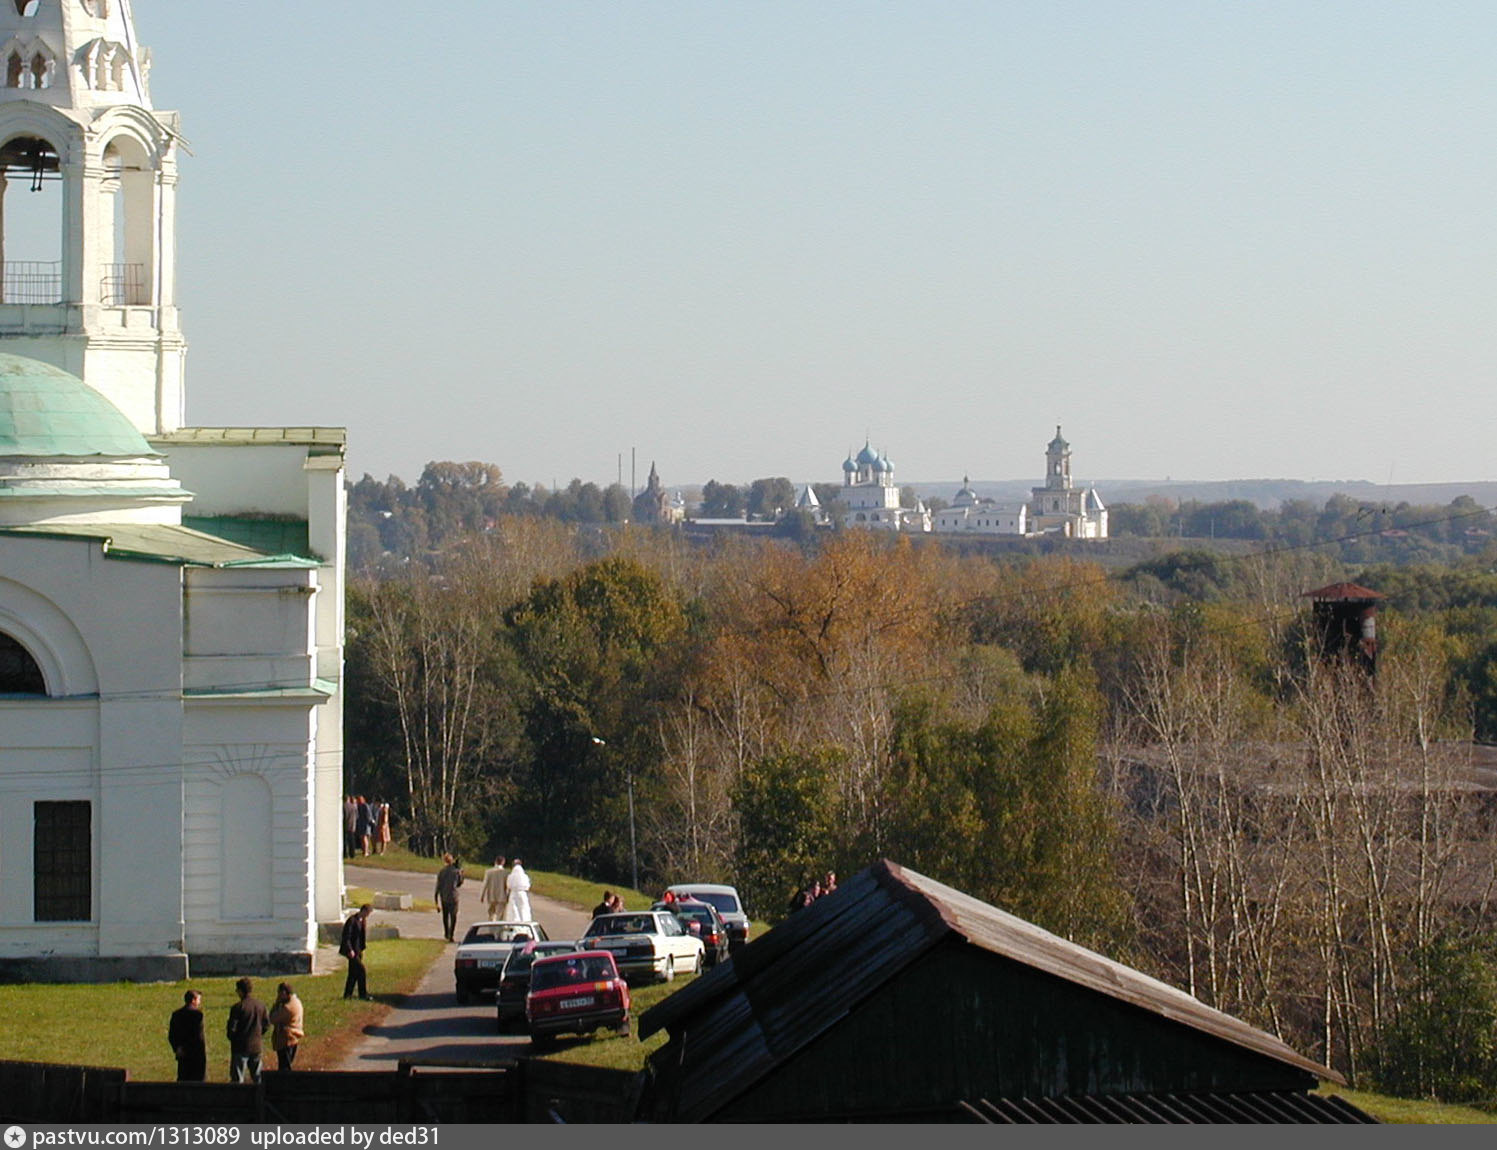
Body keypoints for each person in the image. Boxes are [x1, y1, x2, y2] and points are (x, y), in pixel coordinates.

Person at [226, 977, 269, 1084]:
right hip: (256, 1046)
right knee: (258, 1077)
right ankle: (259, 1098)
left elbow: (232, 1029)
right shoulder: (261, 1005)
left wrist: (233, 1038)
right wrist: (258, 1034)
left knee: (237, 1079)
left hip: (240, 1047)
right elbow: (266, 1025)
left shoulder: (237, 1007)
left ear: (241, 991)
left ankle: (238, 1099)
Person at [167, 989, 207, 1082]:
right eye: (198, 1000)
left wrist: (177, 1048)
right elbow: (198, 1036)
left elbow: (172, 1035)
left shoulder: (176, 1014)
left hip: (182, 1053)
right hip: (196, 1054)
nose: (199, 1002)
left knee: (183, 1079)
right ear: (193, 1000)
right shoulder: (197, 1015)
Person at [268, 982, 305, 1072]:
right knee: (287, 1064)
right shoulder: (296, 1001)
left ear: (284, 993)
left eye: (279, 993)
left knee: (284, 1067)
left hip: (286, 1039)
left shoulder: (287, 1008)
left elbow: (272, 1019)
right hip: (294, 1037)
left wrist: (276, 1004)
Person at [340, 903, 373, 1000]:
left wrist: (361, 949)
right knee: (361, 970)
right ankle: (363, 994)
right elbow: (346, 937)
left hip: (358, 950)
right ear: (362, 911)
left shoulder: (363, 921)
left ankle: (347, 995)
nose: (367, 915)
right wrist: (350, 949)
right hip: (351, 951)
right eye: (367, 913)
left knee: (353, 973)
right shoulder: (352, 921)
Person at [435, 853, 464, 941]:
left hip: (444, 896)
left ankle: (446, 933)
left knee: (445, 916)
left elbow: (438, 886)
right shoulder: (456, 871)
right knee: (453, 916)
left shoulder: (442, 871)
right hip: (454, 896)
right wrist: (462, 875)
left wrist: (436, 900)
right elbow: (459, 884)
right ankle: (451, 934)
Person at [504, 857, 532, 923]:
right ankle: (524, 921)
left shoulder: (510, 876)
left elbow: (508, 885)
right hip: (522, 893)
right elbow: (528, 886)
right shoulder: (525, 876)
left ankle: (513, 922)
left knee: (513, 910)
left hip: (513, 893)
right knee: (523, 908)